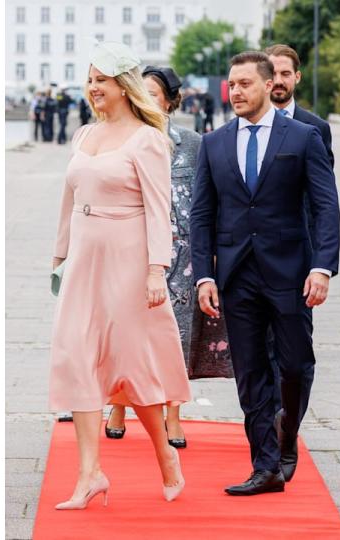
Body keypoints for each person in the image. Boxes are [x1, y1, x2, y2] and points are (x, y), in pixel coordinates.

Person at [190, 51, 340, 496]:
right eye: (231, 85)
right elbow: (202, 214)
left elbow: (326, 205)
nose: (235, 92)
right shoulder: (214, 143)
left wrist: (322, 267)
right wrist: (204, 275)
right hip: (236, 277)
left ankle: (286, 434)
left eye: (244, 84)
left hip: (291, 273)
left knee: (294, 365)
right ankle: (266, 465)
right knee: (251, 372)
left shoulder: (303, 136)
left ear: (267, 83)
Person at [49, 41, 189, 510]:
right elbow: (70, 200)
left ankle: (164, 453)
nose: (92, 89)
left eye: (101, 81)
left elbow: (159, 210)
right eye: (89, 80)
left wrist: (156, 270)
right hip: (84, 259)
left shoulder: (147, 140)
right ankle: (89, 473)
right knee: (76, 356)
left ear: (124, 87)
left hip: (127, 260)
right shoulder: (83, 135)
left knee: (129, 366)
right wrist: (59, 255)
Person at [105, 65, 233, 449]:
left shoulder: (194, 143)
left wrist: (211, 253)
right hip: (132, 249)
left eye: (154, 94)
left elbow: (208, 200)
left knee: (174, 335)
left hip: (183, 256)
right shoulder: (121, 140)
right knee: (126, 331)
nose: (145, 100)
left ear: (171, 101)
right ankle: (118, 403)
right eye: (138, 92)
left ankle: (173, 415)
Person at [263, 43, 337, 418]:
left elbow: (324, 200)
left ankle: (286, 424)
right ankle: (266, 432)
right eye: (272, 74)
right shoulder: (242, 126)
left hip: (297, 260)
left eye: (285, 74)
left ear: (297, 77)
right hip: (252, 258)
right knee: (259, 352)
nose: (278, 81)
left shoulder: (315, 128)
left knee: (293, 353)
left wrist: (321, 263)